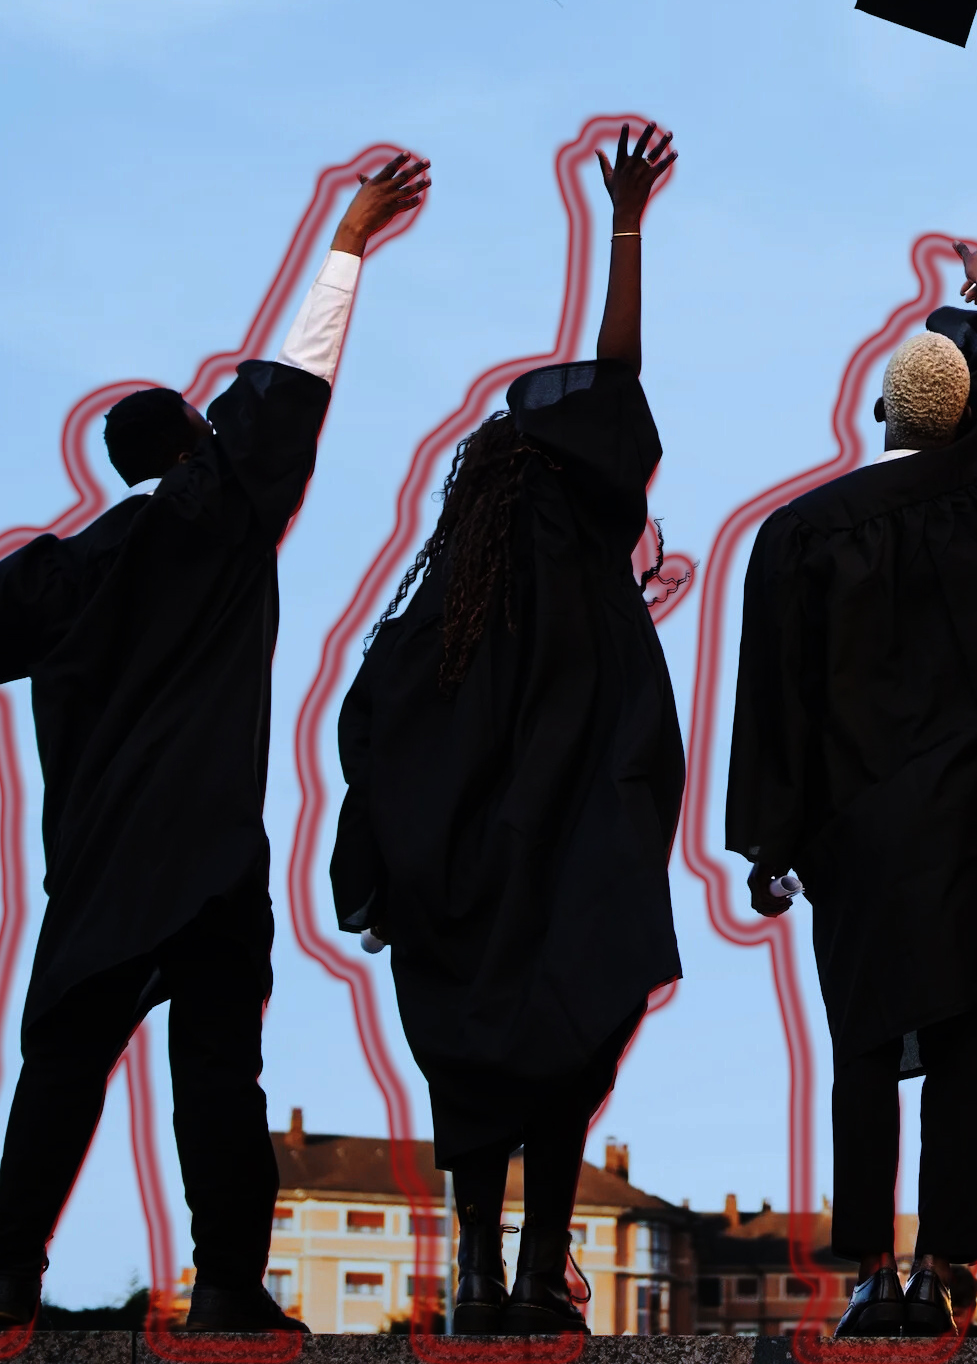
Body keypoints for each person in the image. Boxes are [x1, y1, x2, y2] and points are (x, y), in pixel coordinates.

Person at [0, 152, 432, 1333]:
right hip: (210, 853)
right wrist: (349, 240)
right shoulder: (227, 518)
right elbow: (295, 380)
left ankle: (8, 1274)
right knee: (218, 1069)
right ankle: (228, 1285)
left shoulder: (64, 574)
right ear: (199, 441)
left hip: (102, 863)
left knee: (61, 1061)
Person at [727, 242, 977, 1338]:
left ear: (882, 413)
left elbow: (774, 696)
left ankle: (868, 1270)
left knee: (862, 1044)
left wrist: (767, 837)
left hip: (851, 828)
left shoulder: (800, 534)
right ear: (964, 419)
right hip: (966, 817)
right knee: (960, 1043)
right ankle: (943, 1267)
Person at [329, 125, 684, 1336]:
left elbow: (368, 748)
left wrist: (380, 873)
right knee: (563, 1068)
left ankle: (476, 1270)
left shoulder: (434, 629)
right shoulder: (599, 619)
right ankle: (537, 1273)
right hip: (579, 889)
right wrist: (624, 222)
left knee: (471, 1070)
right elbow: (616, 381)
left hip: (459, 899)